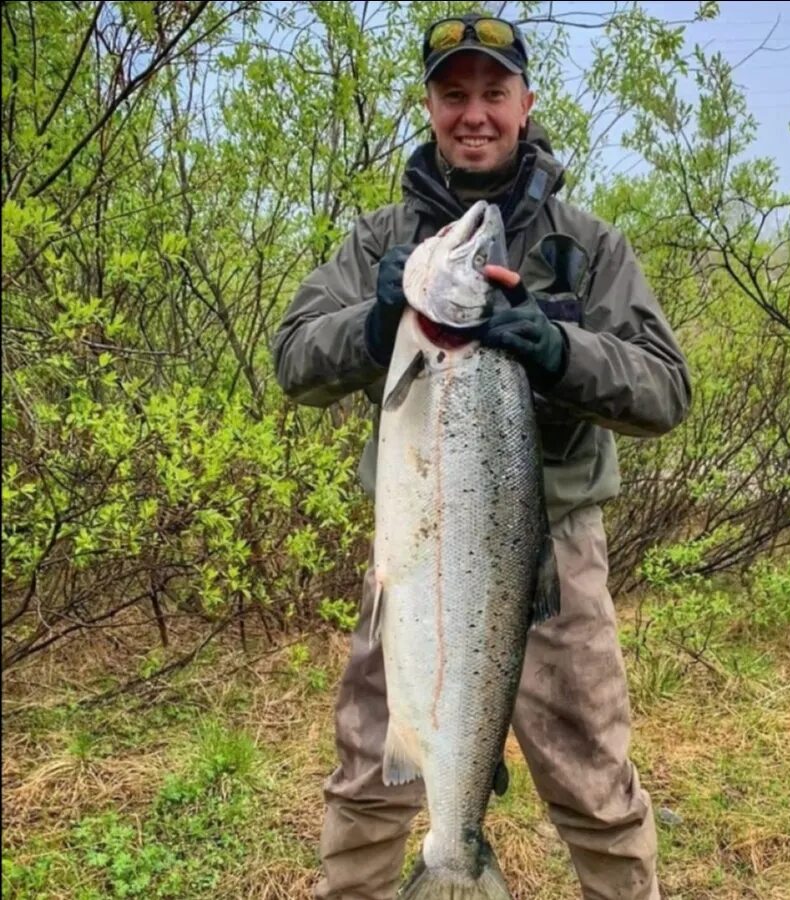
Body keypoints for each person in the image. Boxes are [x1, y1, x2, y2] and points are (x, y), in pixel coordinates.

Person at [271, 12, 690, 899]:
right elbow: (293, 362)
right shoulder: (378, 242)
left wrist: (560, 349)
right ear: (428, 106)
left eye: (493, 93)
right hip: (414, 553)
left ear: (525, 103)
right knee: (368, 777)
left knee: (595, 785)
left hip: (557, 554)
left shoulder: (589, 245)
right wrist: (376, 322)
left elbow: (666, 391)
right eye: (454, 94)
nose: (475, 113)